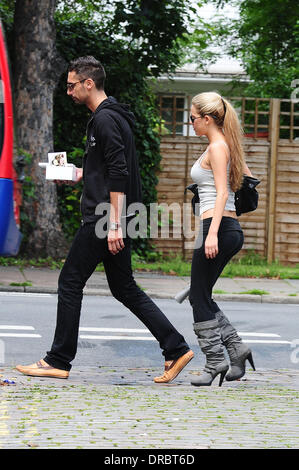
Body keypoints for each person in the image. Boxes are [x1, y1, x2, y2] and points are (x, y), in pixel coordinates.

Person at [16, 56, 193, 382]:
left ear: (88, 83)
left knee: (69, 283)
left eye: (71, 85)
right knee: (124, 288)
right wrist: (79, 173)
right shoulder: (110, 117)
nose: (68, 91)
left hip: (104, 217)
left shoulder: (106, 120)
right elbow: (106, 169)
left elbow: (119, 174)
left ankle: (58, 359)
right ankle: (176, 347)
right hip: (114, 214)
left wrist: (114, 225)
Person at [188, 91, 255, 387]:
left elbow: (224, 192)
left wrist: (211, 233)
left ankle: (215, 361)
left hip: (218, 229)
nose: (190, 123)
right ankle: (236, 349)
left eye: (192, 118)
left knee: (198, 295)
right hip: (226, 228)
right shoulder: (224, 146)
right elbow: (246, 180)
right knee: (201, 293)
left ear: (206, 118)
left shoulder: (217, 147)